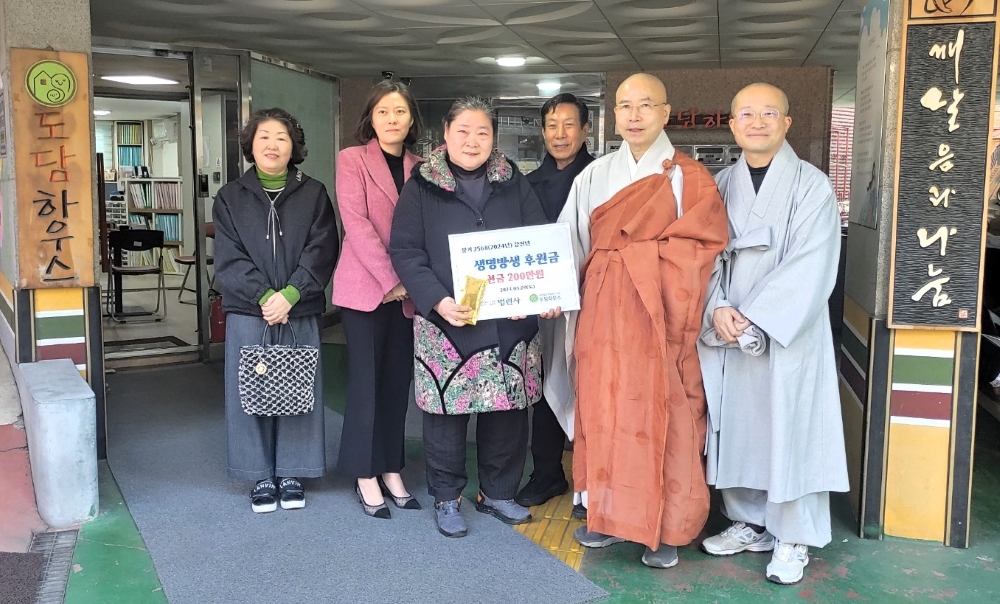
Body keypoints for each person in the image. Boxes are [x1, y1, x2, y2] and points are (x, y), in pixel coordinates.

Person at [556, 73, 729, 568]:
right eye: (625, 106)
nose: (634, 116)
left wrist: (638, 260)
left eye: (645, 105)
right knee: (604, 410)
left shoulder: (691, 178)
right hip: (603, 317)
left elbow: (704, 248)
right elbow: (571, 241)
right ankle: (607, 516)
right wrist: (555, 291)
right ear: (613, 115)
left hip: (661, 320)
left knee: (667, 415)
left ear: (666, 113)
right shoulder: (594, 176)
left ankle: (666, 528)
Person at [697, 83, 848, 585]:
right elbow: (702, 256)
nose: (756, 122)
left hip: (787, 331)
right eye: (746, 114)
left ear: (786, 123)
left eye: (768, 113)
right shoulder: (719, 184)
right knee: (739, 423)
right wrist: (717, 306)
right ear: (732, 125)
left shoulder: (812, 186)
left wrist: (758, 318)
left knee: (791, 427)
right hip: (728, 327)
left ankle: (792, 536)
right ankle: (750, 522)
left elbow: (813, 265)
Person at [389, 97, 561, 538]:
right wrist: (437, 301)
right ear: (446, 135)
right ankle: (447, 497)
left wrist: (539, 292)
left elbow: (538, 238)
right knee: (446, 414)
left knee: (508, 412)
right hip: (449, 321)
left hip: (509, 322)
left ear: (493, 138)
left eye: (482, 132)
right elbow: (405, 251)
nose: (472, 141)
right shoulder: (421, 185)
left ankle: (497, 492)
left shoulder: (512, 181)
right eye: (463, 131)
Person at [213, 107, 339, 514]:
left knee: (298, 387)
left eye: (281, 138)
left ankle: (292, 471)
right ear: (250, 145)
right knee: (250, 391)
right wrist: (267, 297)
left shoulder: (314, 193)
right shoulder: (230, 197)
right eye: (264, 137)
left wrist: (291, 294)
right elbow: (228, 257)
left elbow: (323, 249)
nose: (272, 145)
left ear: (293, 147)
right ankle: (259, 474)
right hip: (250, 312)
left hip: (298, 308)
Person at [333, 81, 424, 519]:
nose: (392, 119)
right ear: (370, 117)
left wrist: (414, 283)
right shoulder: (352, 160)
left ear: (411, 119)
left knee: (395, 385)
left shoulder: (422, 167)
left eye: (400, 111)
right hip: (366, 290)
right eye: (384, 111)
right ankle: (363, 472)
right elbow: (357, 224)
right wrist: (393, 280)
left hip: (409, 295)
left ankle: (391, 467)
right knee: (366, 384)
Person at [516, 93, 594, 512]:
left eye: (569, 125)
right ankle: (547, 473)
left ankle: (594, 482)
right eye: (551, 125)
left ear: (586, 130)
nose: (560, 134)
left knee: (594, 389)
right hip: (543, 307)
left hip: (594, 303)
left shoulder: (603, 179)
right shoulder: (526, 185)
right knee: (546, 387)